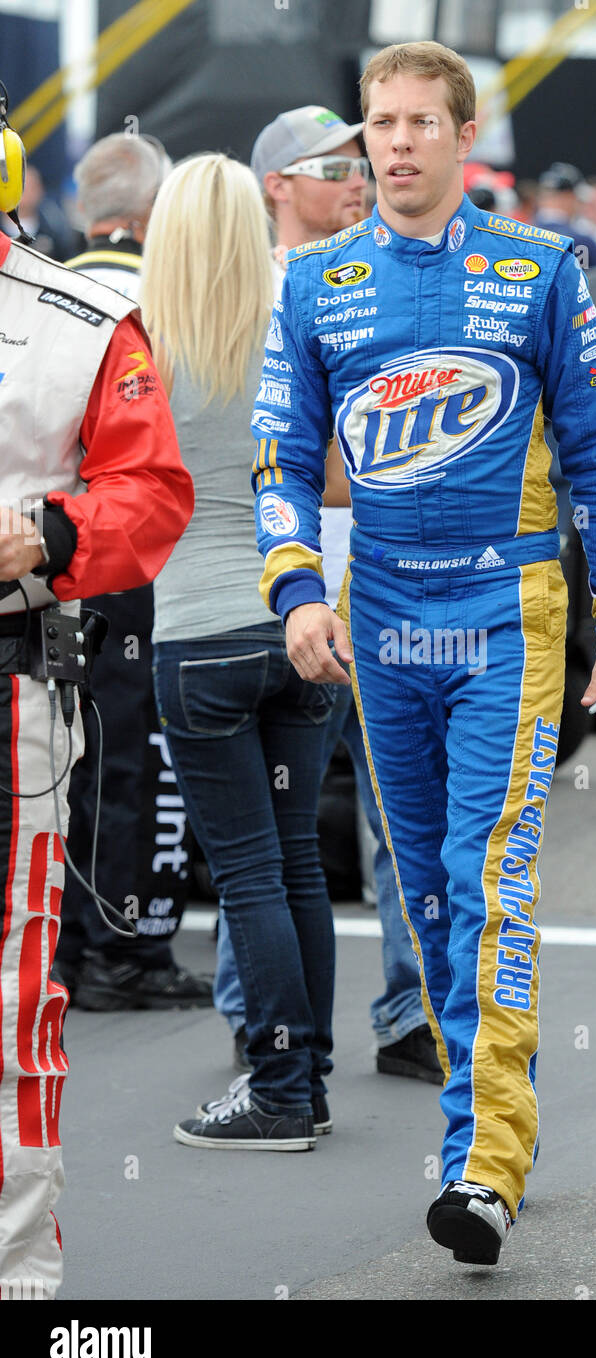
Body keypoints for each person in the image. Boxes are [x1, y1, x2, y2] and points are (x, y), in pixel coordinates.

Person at [251, 40, 596, 1264]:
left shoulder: (536, 267)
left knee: (489, 877)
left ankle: (483, 1160)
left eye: (423, 121)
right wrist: (294, 593)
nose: (398, 142)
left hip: (507, 611)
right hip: (375, 616)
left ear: (460, 136)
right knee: (420, 885)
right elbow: (277, 455)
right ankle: (467, 1127)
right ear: (363, 136)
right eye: (381, 122)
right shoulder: (316, 284)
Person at [203, 104, 441, 1083]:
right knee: (268, 825)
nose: (356, 174)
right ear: (275, 188)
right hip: (281, 594)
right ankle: (257, 1017)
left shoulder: (383, 277)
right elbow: (261, 457)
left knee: (403, 815)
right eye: (330, 162)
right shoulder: (248, 295)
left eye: (359, 157)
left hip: (386, 588)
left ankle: (408, 1013)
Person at [0, 93, 193, 1297]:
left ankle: (19, 1272)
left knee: (16, 994)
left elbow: (151, 494)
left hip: (12, 691)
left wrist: (40, 530)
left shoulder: (88, 317)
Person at [134, 153, 338, 1152]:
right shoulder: (296, 330)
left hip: (200, 634)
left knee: (251, 875)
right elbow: (338, 480)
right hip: (300, 621)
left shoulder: (142, 345)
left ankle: (279, 1088)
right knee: (296, 863)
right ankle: (312, 1075)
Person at [54, 132, 212, 1010]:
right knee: (135, 760)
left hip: (53, 559)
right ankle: (126, 952)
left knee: (63, 762)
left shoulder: (46, 288)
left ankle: (66, 950)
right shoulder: (157, 300)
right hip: (141, 560)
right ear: (155, 214)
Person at [534, 162, 596, 268]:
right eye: (579, 199)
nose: (580, 205)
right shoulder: (581, 242)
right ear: (569, 196)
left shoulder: (518, 237)